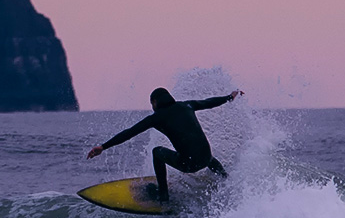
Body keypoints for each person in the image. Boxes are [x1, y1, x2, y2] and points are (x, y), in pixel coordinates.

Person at [86, 87, 243, 202]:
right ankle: (225, 178)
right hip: (206, 158)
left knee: (157, 152)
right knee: (203, 152)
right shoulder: (186, 105)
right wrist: (230, 97)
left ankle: (163, 194)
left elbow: (129, 133)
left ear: (155, 102)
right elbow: (209, 102)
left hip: (190, 165)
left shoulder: (157, 117)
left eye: (152, 104)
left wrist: (103, 147)